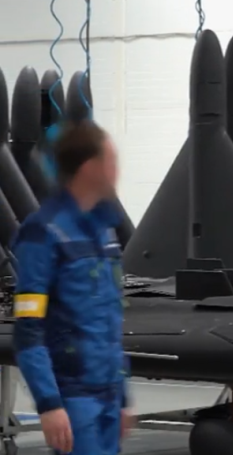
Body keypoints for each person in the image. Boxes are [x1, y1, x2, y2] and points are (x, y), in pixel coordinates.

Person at [12, 120, 133, 455]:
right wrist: (49, 404)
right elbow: (28, 328)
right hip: (75, 398)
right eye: (110, 161)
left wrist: (123, 396)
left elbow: (110, 320)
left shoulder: (105, 232)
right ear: (90, 168)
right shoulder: (44, 234)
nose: (116, 171)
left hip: (108, 395)